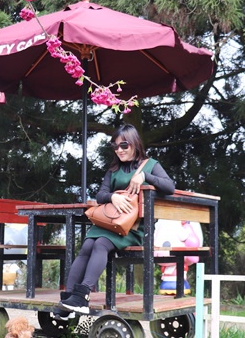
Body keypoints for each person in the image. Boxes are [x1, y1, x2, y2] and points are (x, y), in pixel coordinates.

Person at [52, 123, 176, 319]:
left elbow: (170, 187)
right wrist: (113, 197)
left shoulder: (151, 165)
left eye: (124, 145)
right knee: (87, 245)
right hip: (109, 222)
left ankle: (82, 296)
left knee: (100, 243)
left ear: (135, 144)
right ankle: (69, 300)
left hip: (133, 228)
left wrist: (144, 176)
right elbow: (100, 194)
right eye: (115, 146)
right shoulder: (114, 169)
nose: (119, 150)